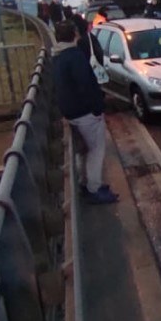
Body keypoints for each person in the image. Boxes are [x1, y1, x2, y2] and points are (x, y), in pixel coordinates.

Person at [52, 22, 119, 204]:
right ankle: (94, 188)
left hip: (70, 112)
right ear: (74, 34)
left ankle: (86, 183)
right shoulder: (75, 57)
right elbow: (86, 85)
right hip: (85, 113)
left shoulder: (57, 57)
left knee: (82, 150)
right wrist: (97, 107)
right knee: (96, 150)